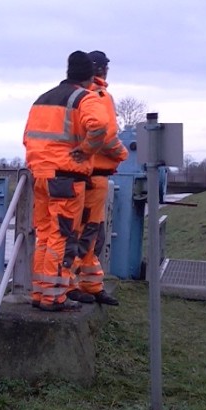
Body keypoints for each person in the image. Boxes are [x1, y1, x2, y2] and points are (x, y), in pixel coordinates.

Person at [23, 51, 112, 311]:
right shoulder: (84, 97)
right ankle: (54, 297)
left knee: (45, 234)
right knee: (63, 236)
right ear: (89, 76)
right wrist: (85, 150)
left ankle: (40, 293)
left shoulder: (42, 99)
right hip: (66, 178)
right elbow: (99, 128)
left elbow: (27, 137)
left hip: (40, 176)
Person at [67, 50, 128, 306]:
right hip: (92, 176)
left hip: (86, 176)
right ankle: (71, 285)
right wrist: (122, 153)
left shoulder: (75, 95)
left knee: (88, 235)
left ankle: (89, 284)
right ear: (101, 69)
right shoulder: (97, 97)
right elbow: (105, 135)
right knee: (84, 235)